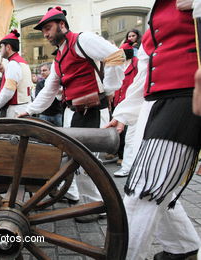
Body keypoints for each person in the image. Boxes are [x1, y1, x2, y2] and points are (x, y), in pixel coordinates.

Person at [106, 0, 201, 259]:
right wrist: (123, 115)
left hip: (187, 98)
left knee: (142, 192)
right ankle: (183, 249)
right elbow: (145, 74)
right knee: (155, 186)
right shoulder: (156, 14)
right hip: (157, 103)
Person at [18, 6, 125, 222]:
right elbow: (49, 89)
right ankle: (84, 199)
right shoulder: (58, 57)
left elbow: (116, 55)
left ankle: (99, 206)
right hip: (74, 113)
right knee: (74, 163)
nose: (46, 34)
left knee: (87, 164)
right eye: (44, 31)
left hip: (93, 111)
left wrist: (109, 88)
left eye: (48, 29)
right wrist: (29, 110)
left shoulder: (82, 40)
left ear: (62, 25)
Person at [0, 30, 32, 118]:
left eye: (1, 47)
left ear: (8, 47)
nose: (0, 50)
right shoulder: (22, 62)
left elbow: (8, 91)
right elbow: (19, 81)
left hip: (16, 111)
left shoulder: (13, 64)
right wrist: (5, 72)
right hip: (23, 108)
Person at [112, 40, 139, 177]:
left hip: (135, 102)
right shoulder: (121, 65)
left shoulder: (137, 64)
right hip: (121, 103)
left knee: (132, 137)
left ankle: (131, 166)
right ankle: (127, 164)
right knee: (127, 137)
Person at [35, 62, 63, 126]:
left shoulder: (58, 82)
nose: (42, 72)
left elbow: (61, 98)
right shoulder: (40, 84)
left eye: (44, 70)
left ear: (51, 71)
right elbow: (38, 98)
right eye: (41, 71)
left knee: (60, 134)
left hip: (57, 113)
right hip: (44, 114)